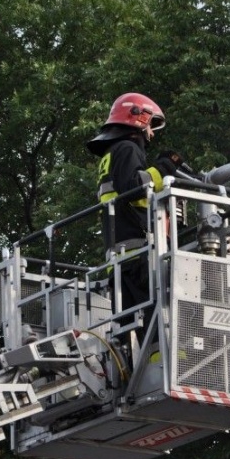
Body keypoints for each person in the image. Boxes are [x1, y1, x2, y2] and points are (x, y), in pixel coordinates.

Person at [86, 92, 185, 332]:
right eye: (151, 126)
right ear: (139, 119)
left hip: (122, 258)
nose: (151, 134)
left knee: (132, 329)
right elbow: (135, 186)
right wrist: (164, 168)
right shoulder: (127, 148)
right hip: (139, 257)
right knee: (159, 326)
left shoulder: (112, 154)